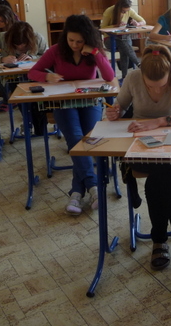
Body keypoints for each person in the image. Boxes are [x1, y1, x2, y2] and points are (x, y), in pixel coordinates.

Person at [105, 44, 171, 274]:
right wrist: (114, 112)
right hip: (139, 147)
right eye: (150, 86)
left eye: (161, 86)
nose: (156, 90)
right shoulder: (133, 77)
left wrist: (161, 121)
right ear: (141, 74)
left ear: (169, 73)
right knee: (163, 173)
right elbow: (119, 107)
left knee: (158, 176)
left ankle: (159, 241)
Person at [29, 15, 115, 216]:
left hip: (89, 102)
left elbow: (110, 76)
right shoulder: (56, 51)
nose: (75, 45)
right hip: (64, 103)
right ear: (65, 37)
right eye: (71, 40)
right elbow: (33, 72)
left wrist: (95, 52)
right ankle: (93, 187)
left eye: (79, 41)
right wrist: (47, 76)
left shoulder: (94, 51)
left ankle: (76, 192)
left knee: (87, 140)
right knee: (76, 139)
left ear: (88, 39)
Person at [0, 21, 48, 113]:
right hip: (11, 78)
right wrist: (1, 59)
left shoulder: (37, 38)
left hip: (33, 77)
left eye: (23, 44)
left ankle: (30, 112)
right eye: (16, 45)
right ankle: (17, 105)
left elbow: (48, 57)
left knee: (35, 105)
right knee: (19, 96)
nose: (20, 47)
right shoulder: (2, 37)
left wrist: (33, 57)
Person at [100, 0, 145, 79]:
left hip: (123, 38)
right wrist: (115, 26)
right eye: (123, 11)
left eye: (126, 11)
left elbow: (143, 21)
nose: (125, 13)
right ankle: (138, 64)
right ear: (118, 8)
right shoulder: (109, 11)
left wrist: (138, 24)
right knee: (123, 43)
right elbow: (102, 28)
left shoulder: (129, 11)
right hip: (110, 39)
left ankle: (124, 77)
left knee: (123, 46)